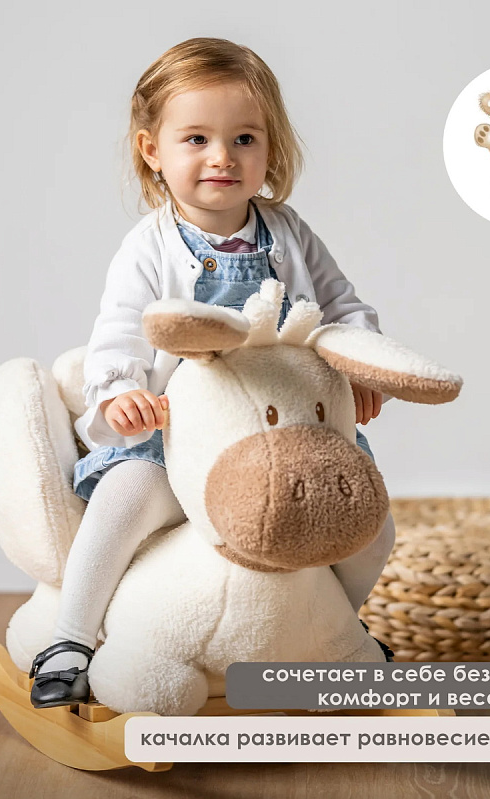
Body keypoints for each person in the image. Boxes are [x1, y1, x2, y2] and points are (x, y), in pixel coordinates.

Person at [30, 37, 396, 708]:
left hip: (291, 436)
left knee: (370, 523)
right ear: (153, 150)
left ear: (270, 148)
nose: (222, 157)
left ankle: (332, 624)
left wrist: (361, 366)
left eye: (244, 139)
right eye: (196, 139)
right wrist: (123, 394)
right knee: (122, 500)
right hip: (179, 441)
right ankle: (71, 638)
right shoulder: (149, 247)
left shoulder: (289, 233)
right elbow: (118, 333)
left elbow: (345, 307)